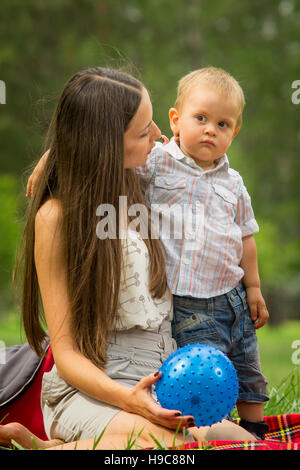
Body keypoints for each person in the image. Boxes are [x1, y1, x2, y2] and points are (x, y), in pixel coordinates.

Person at [1, 67, 255, 450]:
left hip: (156, 381)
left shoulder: (146, 186)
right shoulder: (56, 218)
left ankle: (50, 448)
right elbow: (67, 355)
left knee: (237, 439)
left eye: (154, 122)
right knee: (174, 446)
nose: (159, 135)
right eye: (142, 131)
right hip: (92, 392)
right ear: (106, 144)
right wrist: (131, 402)